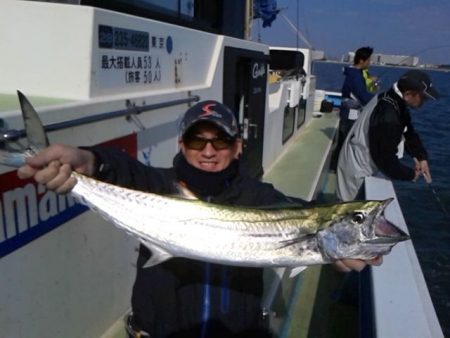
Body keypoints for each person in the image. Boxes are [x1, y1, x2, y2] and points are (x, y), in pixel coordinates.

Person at [17, 100, 381, 338]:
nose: (208, 151)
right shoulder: (157, 184)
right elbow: (120, 170)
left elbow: (306, 218)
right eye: (196, 140)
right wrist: (88, 162)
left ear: (238, 146)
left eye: (220, 141)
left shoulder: (261, 198)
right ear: (181, 145)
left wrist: (348, 253)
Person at [336, 70, 439, 201]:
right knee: (349, 210)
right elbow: (385, 161)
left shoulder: (393, 99)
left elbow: (408, 131)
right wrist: (411, 174)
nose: (424, 102)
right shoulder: (388, 116)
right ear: (408, 94)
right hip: (358, 170)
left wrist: (421, 157)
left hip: (364, 161)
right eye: (422, 97)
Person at [330, 46, 375, 170]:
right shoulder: (355, 76)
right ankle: (336, 167)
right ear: (361, 60)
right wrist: (379, 100)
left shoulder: (355, 73)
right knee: (346, 141)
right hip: (350, 114)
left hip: (349, 112)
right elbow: (362, 95)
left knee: (345, 140)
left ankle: (337, 166)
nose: (370, 63)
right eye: (368, 60)